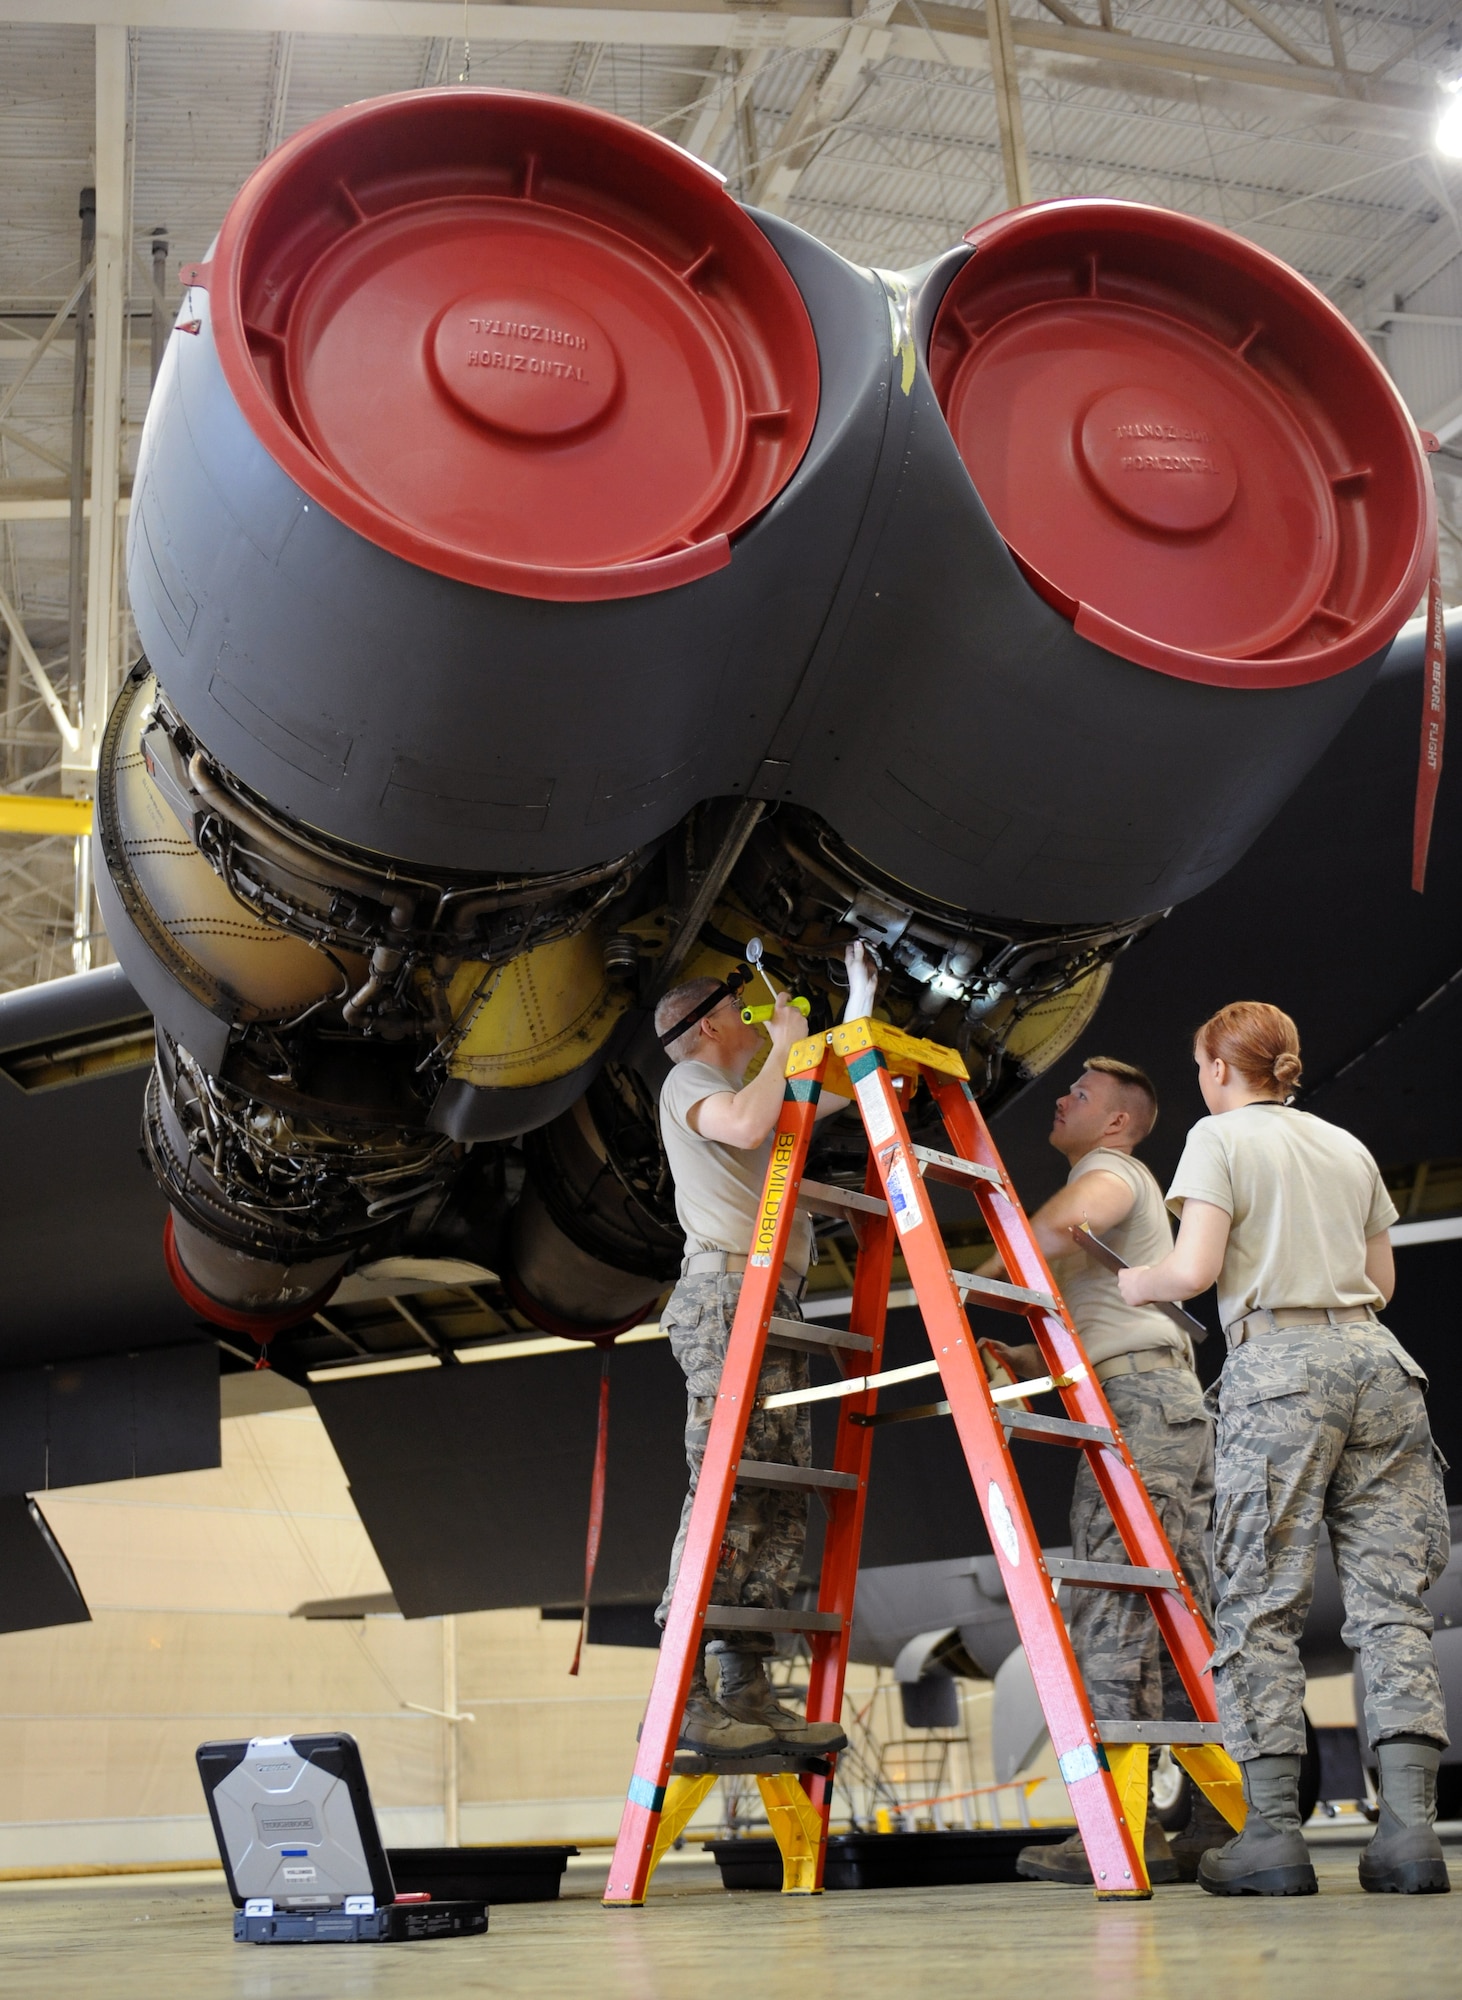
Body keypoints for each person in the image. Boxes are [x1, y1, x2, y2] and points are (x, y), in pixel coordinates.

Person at [1118, 1001, 1451, 1898]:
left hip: (1283, 1369)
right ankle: (1411, 1835)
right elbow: (1380, 1281)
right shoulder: (1346, 1146)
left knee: (1259, 1601)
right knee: (1392, 1608)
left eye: (1200, 1067)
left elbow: (1190, 1272)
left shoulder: (1218, 1138)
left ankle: (1271, 1835)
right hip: (1382, 1368)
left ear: (1221, 1070)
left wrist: (1138, 1281)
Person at [972, 1058, 1224, 1886]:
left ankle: (1119, 1828)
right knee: (1182, 1612)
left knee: (1115, 1603)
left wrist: (983, 1264)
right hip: (1158, 1399)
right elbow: (1094, 1315)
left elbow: (1035, 1248)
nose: (1061, 1099)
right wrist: (1019, 1352)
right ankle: (1219, 1818)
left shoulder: (1108, 1173)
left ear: (1117, 1122)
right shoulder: (1118, 1190)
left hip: (1141, 1406)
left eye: (1080, 1096)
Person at [651, 942, 879, 1758]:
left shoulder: (745, 1086)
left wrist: (856, 1010)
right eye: (743, 1015)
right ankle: (682, 1701)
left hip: (769, 1302)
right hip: (723, 1298)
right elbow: (751, 1121)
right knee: (724, 1480)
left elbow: (829, 1098)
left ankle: (747, 1686)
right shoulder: (692, 1083)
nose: (758, 1025)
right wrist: (785, 1035)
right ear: (710, 1025)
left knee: (774, 1498)